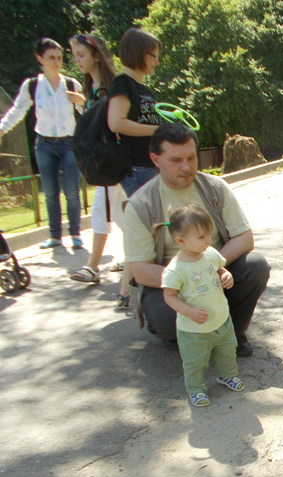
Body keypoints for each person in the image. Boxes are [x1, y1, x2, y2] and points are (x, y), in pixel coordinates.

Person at [123, 123, 270, 357]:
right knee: (164, 317)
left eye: (191, 158)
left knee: (256, 265)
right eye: (176, 160)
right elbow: (141, 270)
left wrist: (210, 267)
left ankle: (232, 331)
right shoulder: (140, 205)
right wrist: (189, 276)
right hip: (173, 283)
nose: (186, 167)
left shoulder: (215, 188)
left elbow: (244, 237)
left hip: (217, 271)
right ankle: (180, 333)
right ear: (155, 159)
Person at [0, 38, 83, 249]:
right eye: (51, 57)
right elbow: (17, 111)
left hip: (69, 143)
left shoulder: (72, 84)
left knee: (72, 191)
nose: (56, 62)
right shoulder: (32, 85)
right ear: (40, 59)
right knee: (50, 192)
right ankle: (55, 236)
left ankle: (75, 233)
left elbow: (89, 113)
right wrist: (2, 129)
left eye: (59, 58)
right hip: (44, 144)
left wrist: (82, 102)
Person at [158, 204, 244, 407]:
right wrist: (188, 311)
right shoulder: (175, 270)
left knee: (227, 351)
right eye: (201, 237)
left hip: (221, 320)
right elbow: (169, 296)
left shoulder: (210, 253)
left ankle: (227, 375)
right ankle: (196, 388)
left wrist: (226, 274)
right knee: (195, 361)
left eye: (208, 235)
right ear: (181, 241)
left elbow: (220, 268)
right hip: (193, 330)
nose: (208, 240)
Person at [107, 27, 163, 309]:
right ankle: (130, 290)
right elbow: (116, 122)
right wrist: (157, 130)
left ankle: (128, 290)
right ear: (140, 54)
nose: (156, 61)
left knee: (147, 228)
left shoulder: (144, 89)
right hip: (136, 167)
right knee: (145, 229)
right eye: (153, 55)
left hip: (150, 165)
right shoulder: (122, 84)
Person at [67, 33, 127, 285]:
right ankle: (133, 258)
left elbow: (112, 123)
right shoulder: (92, 87)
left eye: (81, 55)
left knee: (104, 210)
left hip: (113, 160)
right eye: (75, 55)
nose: (77, 60)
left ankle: (92, 266)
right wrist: (83, 105)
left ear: (96, 55)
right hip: (105, 160)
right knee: (121, 213)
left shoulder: (112, 87)